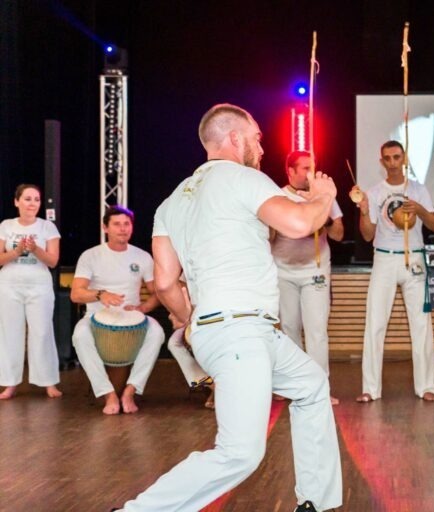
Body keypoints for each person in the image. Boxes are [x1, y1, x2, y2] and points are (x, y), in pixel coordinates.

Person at [118, 103, 342, 512]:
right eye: (256, 136)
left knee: (311, 384)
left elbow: (165, 281)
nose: (261, 144)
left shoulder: (171, 202)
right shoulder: (243, 178)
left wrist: (191, 321)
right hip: (241, 331)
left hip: (234, 329)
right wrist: (323, 196)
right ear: (235, 138)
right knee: (240, 453)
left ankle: (316, 502)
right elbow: (298, 224)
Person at [354, 140, 434, 402]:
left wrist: (420, 209)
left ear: (404, 159)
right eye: (387, 158)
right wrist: (364, 212)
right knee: (375, 323)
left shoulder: (418, 189)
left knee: (421, 324)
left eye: (397, 157)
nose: (392, 162)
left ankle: (426, 386)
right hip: (384, 258)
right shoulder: (374, 192)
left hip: (413, 256)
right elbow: (368, 235)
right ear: (382, 162)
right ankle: (371, 388)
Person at [70, 206, 165, 415]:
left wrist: (144, 307)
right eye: (116, 224)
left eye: (126, 224)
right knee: (79, 335)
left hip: (131, 317)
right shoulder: (90, 256)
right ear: (105, 227)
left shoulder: (142, 257)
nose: (122, 229)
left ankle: (131, 390)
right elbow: (76, 294)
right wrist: (99, 294)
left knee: (157, 332)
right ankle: (107, 393)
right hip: (95, 316)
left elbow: (158, 292)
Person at [272, 150, 344, 405]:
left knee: (316, 331)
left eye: (313, 167)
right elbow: (269, 238)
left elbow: (338, 234)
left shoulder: (323, 195)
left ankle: (320, 388)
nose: (310, 173)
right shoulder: (277, 196)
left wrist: (320, 217)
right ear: (290, 171)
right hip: (283, 271)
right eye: (304, 168)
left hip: (315, 270)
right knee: (289, 328)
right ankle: (293, 387)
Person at [0, 184, 62, 399]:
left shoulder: (47, 228)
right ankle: (9, 383)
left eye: (36, 199)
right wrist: (16, 251)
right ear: (17, 202)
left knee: (42, 332)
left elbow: (53, 261)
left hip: (39, 286)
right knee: (10, 333)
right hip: (9, 285)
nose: (32, 203)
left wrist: (36, 249)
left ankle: (48, 382)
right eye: (27, 199)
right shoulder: (6, 226)